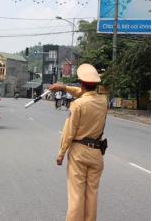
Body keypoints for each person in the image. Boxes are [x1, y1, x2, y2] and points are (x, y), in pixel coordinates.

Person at [49, 63, 108, 221]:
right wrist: (64, 87)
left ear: (81, 83)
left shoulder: (78, 104)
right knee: (91, 195)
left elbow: (69, 132)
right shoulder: (103, 101)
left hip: (79, 153)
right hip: (96, 154)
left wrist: (61, 153)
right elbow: (83, 93)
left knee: (76, 196)